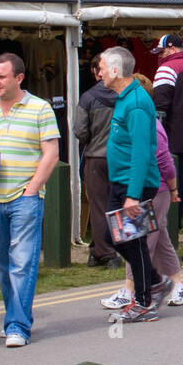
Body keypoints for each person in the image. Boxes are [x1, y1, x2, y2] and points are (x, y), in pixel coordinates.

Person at [0, 53, 60, 347]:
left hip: (25, 197)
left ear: (19, 78)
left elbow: (51, 154)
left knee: (22, 263)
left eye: (1, 77)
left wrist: (32, 189)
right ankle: (15, 317)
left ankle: (17, 325)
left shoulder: (40, 108)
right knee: (1, 265)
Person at [101, 75, 183, 309]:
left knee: (139, 241)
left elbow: (165, 161)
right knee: (159, 242)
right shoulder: (138, 114)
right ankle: (175, 284)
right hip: (152, 190)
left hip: (154, 192)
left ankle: (134, 290)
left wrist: (173, 188)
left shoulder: (147, 122)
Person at [73, 53, 121, 269]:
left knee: (99, 205)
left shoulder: (88, 98)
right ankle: (99, 249)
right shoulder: (126, 95)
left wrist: (92, 140)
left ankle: (107, 253)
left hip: (96, 157)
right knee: (120, 204)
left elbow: (79, 130)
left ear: (95, 72)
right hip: (122, 156)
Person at [150, 34, 183, 233]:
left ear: (171, 48)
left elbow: (160, 107)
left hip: (174, 137)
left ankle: (173, 226)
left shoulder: (167, 68)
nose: (160, 56)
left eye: (162, 51)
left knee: (174, 182)